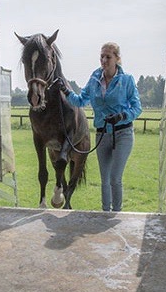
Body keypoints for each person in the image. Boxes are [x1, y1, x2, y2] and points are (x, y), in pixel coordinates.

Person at [58, 42, 142, 211]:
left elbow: (137, 107)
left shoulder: (126, 80)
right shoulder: (95, 79)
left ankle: (117, 213)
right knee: (104, 179)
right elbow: (81, 100)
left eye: (108, 57)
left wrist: (122, 115)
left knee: (114, 178)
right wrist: (66, 92)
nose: (104, 60)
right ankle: (105, 213)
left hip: (123, 134)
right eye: (102, 56)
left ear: (117, 59)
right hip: (102, 135)